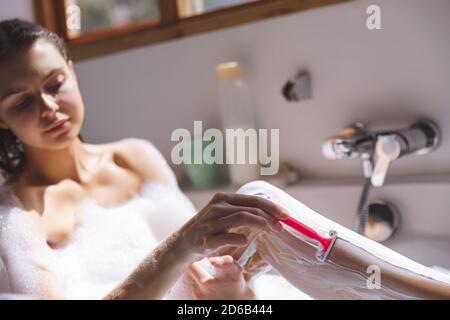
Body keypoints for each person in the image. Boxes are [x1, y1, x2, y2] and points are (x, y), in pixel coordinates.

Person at [0, 19, 449, 300]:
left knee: (257, 203)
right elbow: (182, 256)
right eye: (22, 103)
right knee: (254, 198)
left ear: (72, 73)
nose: (49, 108)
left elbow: (221, 283)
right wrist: (180, 248)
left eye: (55, 83)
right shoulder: (18, 212)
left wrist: (233, 289)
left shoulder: (135, 158)